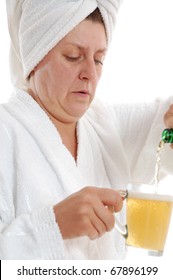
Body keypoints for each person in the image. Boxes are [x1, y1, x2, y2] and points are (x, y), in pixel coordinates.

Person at [0, 0, 173, 260]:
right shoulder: (6, 132)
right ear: (34, 56)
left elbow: (159, 122)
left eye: (99, 59)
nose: (90, 73)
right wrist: (53, 226)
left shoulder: (104, 124)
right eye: (73, 56)